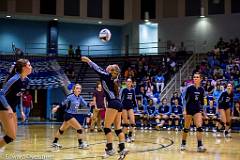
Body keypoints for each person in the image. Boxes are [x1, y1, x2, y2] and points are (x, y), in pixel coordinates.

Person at [81, 56, 128, 159]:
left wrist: (88, 60)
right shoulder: (115, 79)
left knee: (106, 127)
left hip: (113, 103)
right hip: (119, 104)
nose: (107, 67)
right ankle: (123, 148)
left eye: (109, 67)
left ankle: (110, 149)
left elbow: (96, 68)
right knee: (117, 129)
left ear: (111, 71)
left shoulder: (106, 75)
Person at [0, 59, 32, 150]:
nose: (31, 67)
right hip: (3, 106)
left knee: (12, 137)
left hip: (12, 108)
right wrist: (8, 107)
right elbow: (1, 94)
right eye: (29, 65)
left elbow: (19, 96)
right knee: (10, 136)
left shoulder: (27, 81)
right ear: (23, 68)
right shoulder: (14, 79)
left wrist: (21, 111)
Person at [51, 84, 89, 149]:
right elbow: (62, 103)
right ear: (74, 89)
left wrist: (91, 106)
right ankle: (81, 144)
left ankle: (54, 142)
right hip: (68, 115)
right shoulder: (70, 97)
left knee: (61, 130)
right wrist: (56, 107)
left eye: (80, 88)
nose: (79, 90)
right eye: (77, 88)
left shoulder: (80, 98)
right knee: (79, 128)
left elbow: (85, 104)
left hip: (72, 115)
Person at [180, 72, 206, 152]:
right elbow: (184, 99)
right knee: (186, 128)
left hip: (197, 110)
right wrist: (184, 110)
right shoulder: (189, 88)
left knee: (199, 127)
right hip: (188, 109)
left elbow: (202, 102)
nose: (195, 78)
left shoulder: (202, 89)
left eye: (197, 77)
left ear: (200, 79)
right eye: (194, 77)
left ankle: (199, 145)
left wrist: (203, 112)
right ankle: (183, 143)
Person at [120, 78, 137, 143]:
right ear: (126, 82)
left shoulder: (133, 90)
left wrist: (136, 107)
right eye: (128, 81)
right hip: (124, 107)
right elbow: (120, 98)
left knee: (132, 122)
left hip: (130, 106)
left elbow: (134, 99)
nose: (129, 83)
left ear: (132, 83)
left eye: (130, 81)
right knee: (126, 123)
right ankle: (126, 137)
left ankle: (130, 135)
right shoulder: (123, 89)